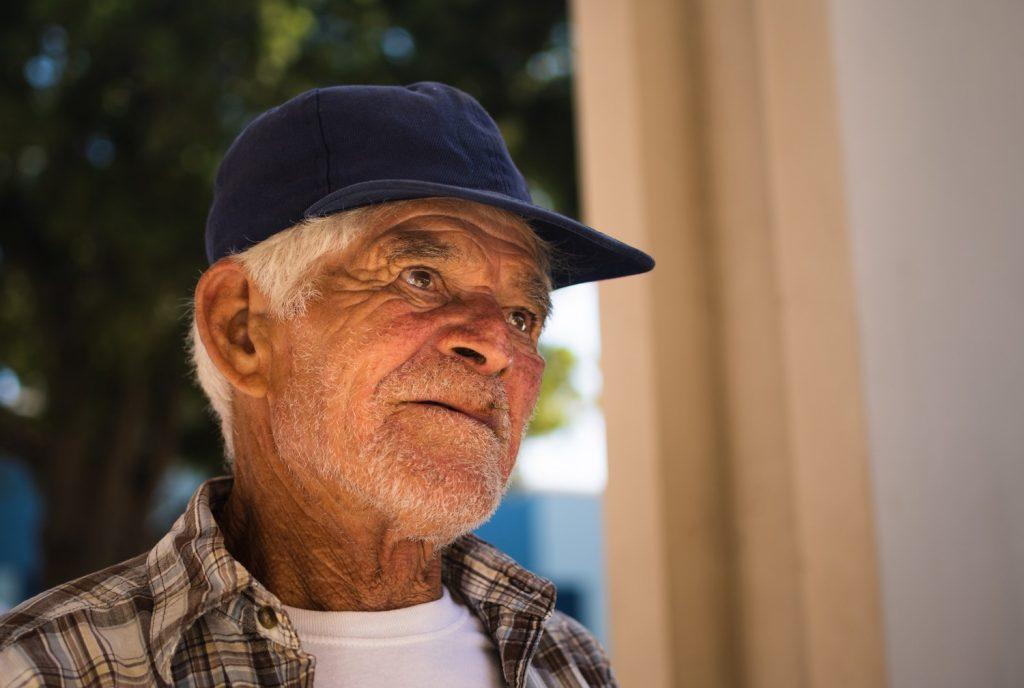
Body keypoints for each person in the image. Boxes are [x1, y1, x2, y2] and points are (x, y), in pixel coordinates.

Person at [0, 82, 653, 687]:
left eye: (523, 315)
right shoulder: (41, 670)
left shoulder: (567, 660)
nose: (496, 346)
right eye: (420, 276)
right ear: (243, 331)